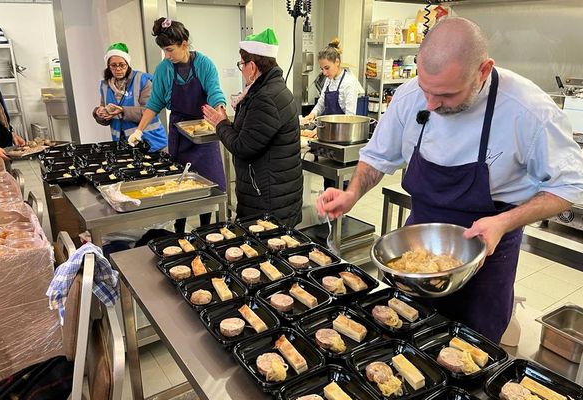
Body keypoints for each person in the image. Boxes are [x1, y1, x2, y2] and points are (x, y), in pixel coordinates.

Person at [317, 17, 583, 343]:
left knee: (475, 346)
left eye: (446, 94)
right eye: (425, 89)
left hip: (488, 249)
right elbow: (377, 157)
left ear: (483, 71)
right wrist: (353, 192)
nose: (430, 103)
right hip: (416, 247)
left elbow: (569, 185)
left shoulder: (527, 110)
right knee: (408, 337)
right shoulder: (409, 95)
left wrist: (504, 222)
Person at [131, 18, 227, 232]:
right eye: (164, 51)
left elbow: (214, 92)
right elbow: (155, 102)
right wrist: (139, 129)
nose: (167, 56)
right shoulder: (164, 69)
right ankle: (179, 229)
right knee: (178, 186)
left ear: (184, 44)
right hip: (179, 134)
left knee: (207, 186)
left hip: (203, 131)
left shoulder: (204, 64)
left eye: (170, 50)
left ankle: (205, 231)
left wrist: (219, 111)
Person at [203, 28, 303, 227]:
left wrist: (221, 124)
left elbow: (243, 147)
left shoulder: (266, 98)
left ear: (253, 66)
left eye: (242, 64)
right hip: (272, 193)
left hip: (267, 200)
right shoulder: (268, 90)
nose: (242, 69)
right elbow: (251, 135)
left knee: (268, 251)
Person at [301, 38, 364, 189]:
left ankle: (339, 208)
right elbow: (322, 103)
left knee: (340, 182)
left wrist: (320, 130)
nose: (324, 72)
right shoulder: (329, 81)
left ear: (337, 62)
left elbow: (349, 117)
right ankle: (329, 208)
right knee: (328, 175)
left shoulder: (349, 83)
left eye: (327, 68)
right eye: (322, 69)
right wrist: (312, 115)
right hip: (329, 138)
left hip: (343, 138)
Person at [92, 42, 166, 152]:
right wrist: (100, 113)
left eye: (122, 65)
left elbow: (149, 111)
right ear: (108, 66)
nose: (118, 69)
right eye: (113, 65)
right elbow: (104, 110)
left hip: (151, 143)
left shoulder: (142, 80)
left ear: (128, 64)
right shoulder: (105, 85)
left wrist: (122, 111)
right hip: (123, 145)